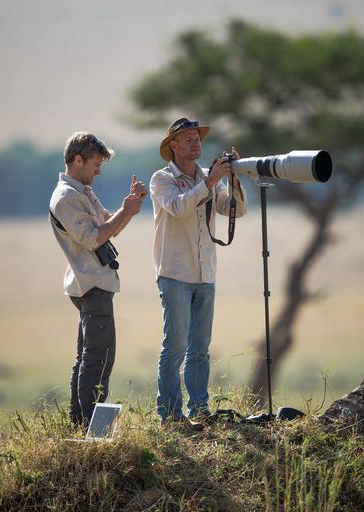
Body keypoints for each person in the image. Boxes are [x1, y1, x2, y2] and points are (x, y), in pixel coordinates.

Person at [149, 117, 248, 429]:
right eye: (188, 139)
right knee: (175, 347)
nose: (196, 143)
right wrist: (210, 181)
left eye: (198, 138)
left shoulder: (208, 176)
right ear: (173, 146)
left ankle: (200, 409)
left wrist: (233, 179)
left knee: (200, 349)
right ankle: (170, 416)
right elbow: (179, 208)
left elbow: (235, 210)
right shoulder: (162, 179)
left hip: (205, 274)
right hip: (175, 273)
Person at [49, 131, 147, 427]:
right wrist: (126, 211)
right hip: (91, 286)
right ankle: (93, 429)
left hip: (93, 284)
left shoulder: (80, 191)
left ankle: (80, 424)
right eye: (95, 165)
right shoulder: (67, 197)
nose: (98, 172)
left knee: (88, 357)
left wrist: (129, 208)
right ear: (77, 160)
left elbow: (108, 226)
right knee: (99, 359)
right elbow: (94, 238)